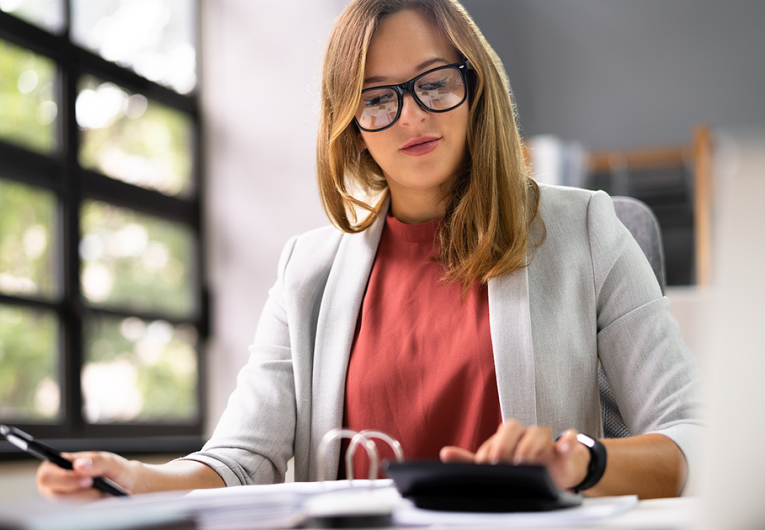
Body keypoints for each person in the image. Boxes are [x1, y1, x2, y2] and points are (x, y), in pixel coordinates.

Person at [37, 0, 701, 501]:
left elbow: (690, 438)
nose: (410, 116)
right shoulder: (308, 269)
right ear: (351, 126)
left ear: (475, 89)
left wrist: (579, 459)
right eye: (376, 98)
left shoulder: (588, 229)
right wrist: (133, 477)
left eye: (433, 82)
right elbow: (240, 460)